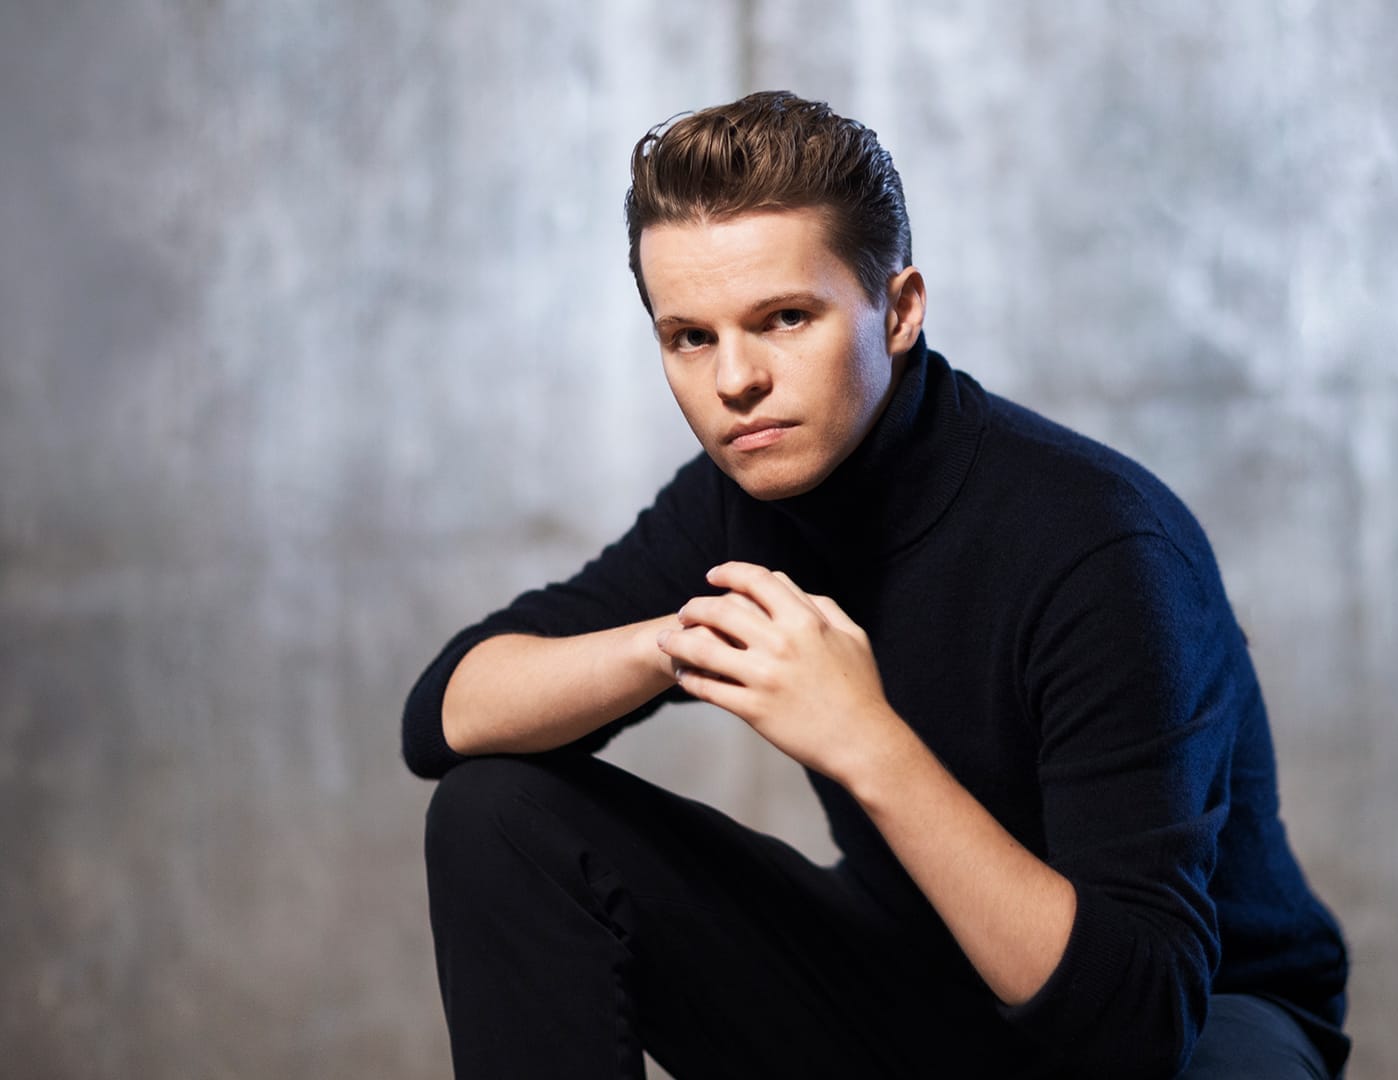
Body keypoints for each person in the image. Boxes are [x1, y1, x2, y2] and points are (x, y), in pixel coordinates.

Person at [403, 90, 1350, 1080]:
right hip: (921, 987)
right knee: (498, 814)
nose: (734, 382)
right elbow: (447, 716)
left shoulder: (1101, 547)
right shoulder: (743, 497)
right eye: (691, 337)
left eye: (785, 319)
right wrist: (672, 640)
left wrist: (862, 738)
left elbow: (1135, 1023)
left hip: (1195, 1021)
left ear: (897, 312)